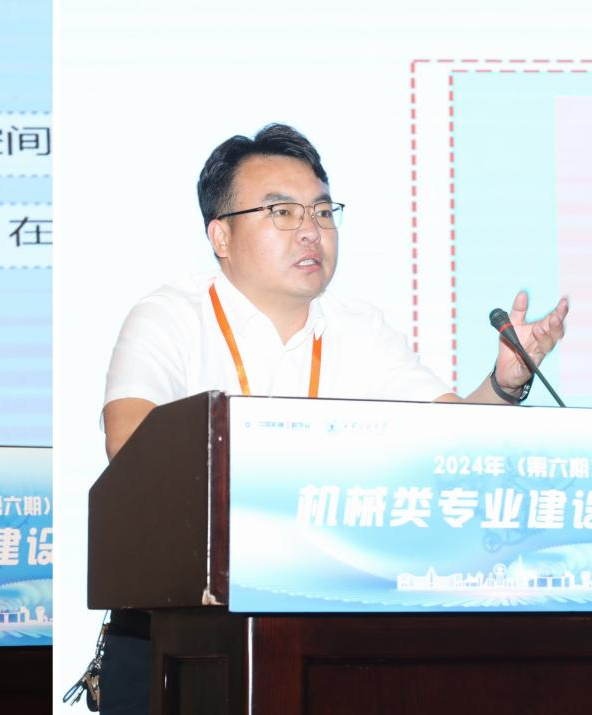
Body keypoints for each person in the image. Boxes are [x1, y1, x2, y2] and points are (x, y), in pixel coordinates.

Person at [97, 123, 568, 714]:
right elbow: (130, 443)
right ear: (221, 235)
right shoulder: (170, 316)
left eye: (322, 212)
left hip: (324, 632)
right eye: (282, 212)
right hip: (182, 634)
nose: (310, 231)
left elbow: (451, 440)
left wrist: (505, 382)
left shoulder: (359, 329)